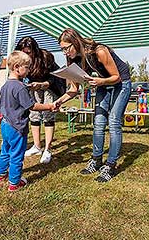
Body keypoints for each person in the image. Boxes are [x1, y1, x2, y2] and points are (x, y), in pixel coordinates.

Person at [55, 28, 131, 182]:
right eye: (61, 49)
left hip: (121, 83)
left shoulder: (99, 51)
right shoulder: (73, 60)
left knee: (114, 122)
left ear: (75, 42)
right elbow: (74, 89)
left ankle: (111, 165)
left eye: (66, 48)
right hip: (103, 84)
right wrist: (58, 101)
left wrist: (101, 81)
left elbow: (116, 76)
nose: (64, 52)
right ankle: (96, 160)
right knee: (98, 122)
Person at [0, 51, 55, 192]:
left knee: (5, 151)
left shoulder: (5, 86)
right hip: (17, 127)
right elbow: (32, 106)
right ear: (17, 67)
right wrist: (49, 106)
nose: (29, 70)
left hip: (5, 124)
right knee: (17, 154)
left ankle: (0, 174)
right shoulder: (20, 87)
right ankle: (14, 183)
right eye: (27, 67)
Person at [15, 36, 65, 164]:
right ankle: (37, 146)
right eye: (23, 52)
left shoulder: (45, 57)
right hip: (35, 87)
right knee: (34, 114)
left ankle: (47, 149)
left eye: (28, 52)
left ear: (34, 50)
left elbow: (55, 77)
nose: (26, 55)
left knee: (48, 115)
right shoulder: (22, 60)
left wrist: (43, 84)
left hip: (52, 86)